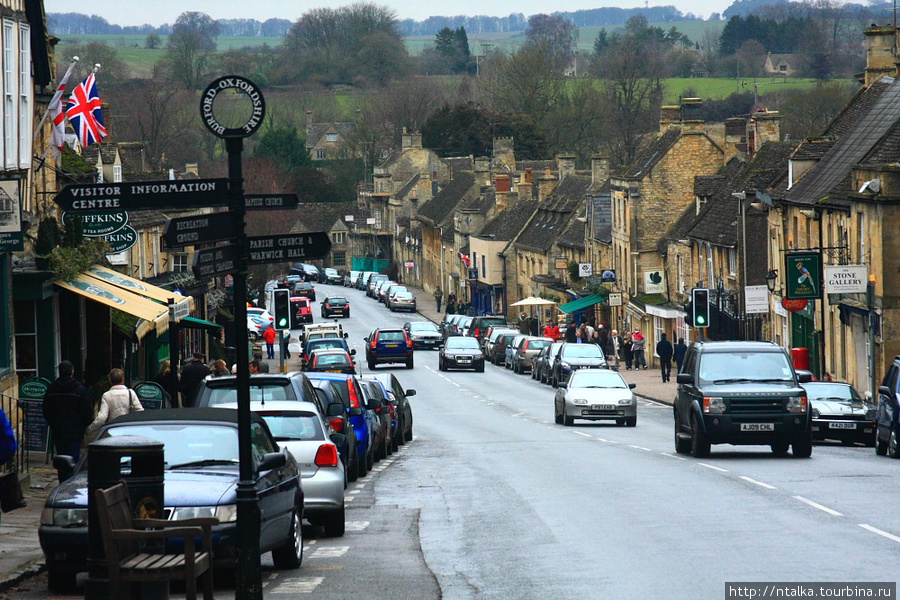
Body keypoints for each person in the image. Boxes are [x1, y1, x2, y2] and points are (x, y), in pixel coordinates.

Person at [43, 361, 93, 476]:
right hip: (75, 431)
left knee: (61, 460)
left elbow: (46, 410)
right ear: (72, 372)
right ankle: (69, 486)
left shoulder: (52, 389)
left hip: (58, 430)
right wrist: (83, 426)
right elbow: (87, 411)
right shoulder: (79, 390)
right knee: (73, 461)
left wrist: (53, 424)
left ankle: (63, 483)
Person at [87, 368, 144, 438]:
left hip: (113, 430)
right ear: (123, 379)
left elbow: (102, 418)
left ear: (110, 380)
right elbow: (140, 412)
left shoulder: (107, 395)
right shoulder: (130, 393)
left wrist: (90, 429)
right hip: (128, 430)